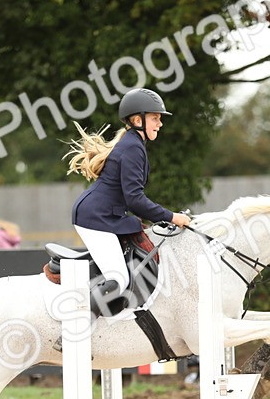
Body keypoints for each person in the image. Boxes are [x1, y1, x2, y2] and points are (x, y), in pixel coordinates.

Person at [64, 87, 192, 314]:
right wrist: (172, 216)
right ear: (137, 119)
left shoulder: (134, 144)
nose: (159, 123)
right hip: (94, 218)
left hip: (102, 214)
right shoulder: (132, 147)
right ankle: (74, 330)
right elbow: (135, 200)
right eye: (155, 118)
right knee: (118, 279)